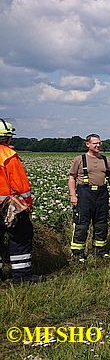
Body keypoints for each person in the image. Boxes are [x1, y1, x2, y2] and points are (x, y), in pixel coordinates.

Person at [0, 119, 43, 283]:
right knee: (20, 237)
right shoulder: (8, 156)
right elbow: (21, 186)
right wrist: (27, 206)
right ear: (8, 138)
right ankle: (22, 275)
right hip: (8, 208)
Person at [68, 134, 110, 261]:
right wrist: (73, 195)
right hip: (84, 194)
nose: (98, 145)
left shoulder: (106, 160)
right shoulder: (80, 159)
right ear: (87, 144)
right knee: (81, 224)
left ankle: (100, 251)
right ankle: (78, 253)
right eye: (95, 143)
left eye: (99, 143)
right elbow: (72, 178)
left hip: (101, 194)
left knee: (101, 224)